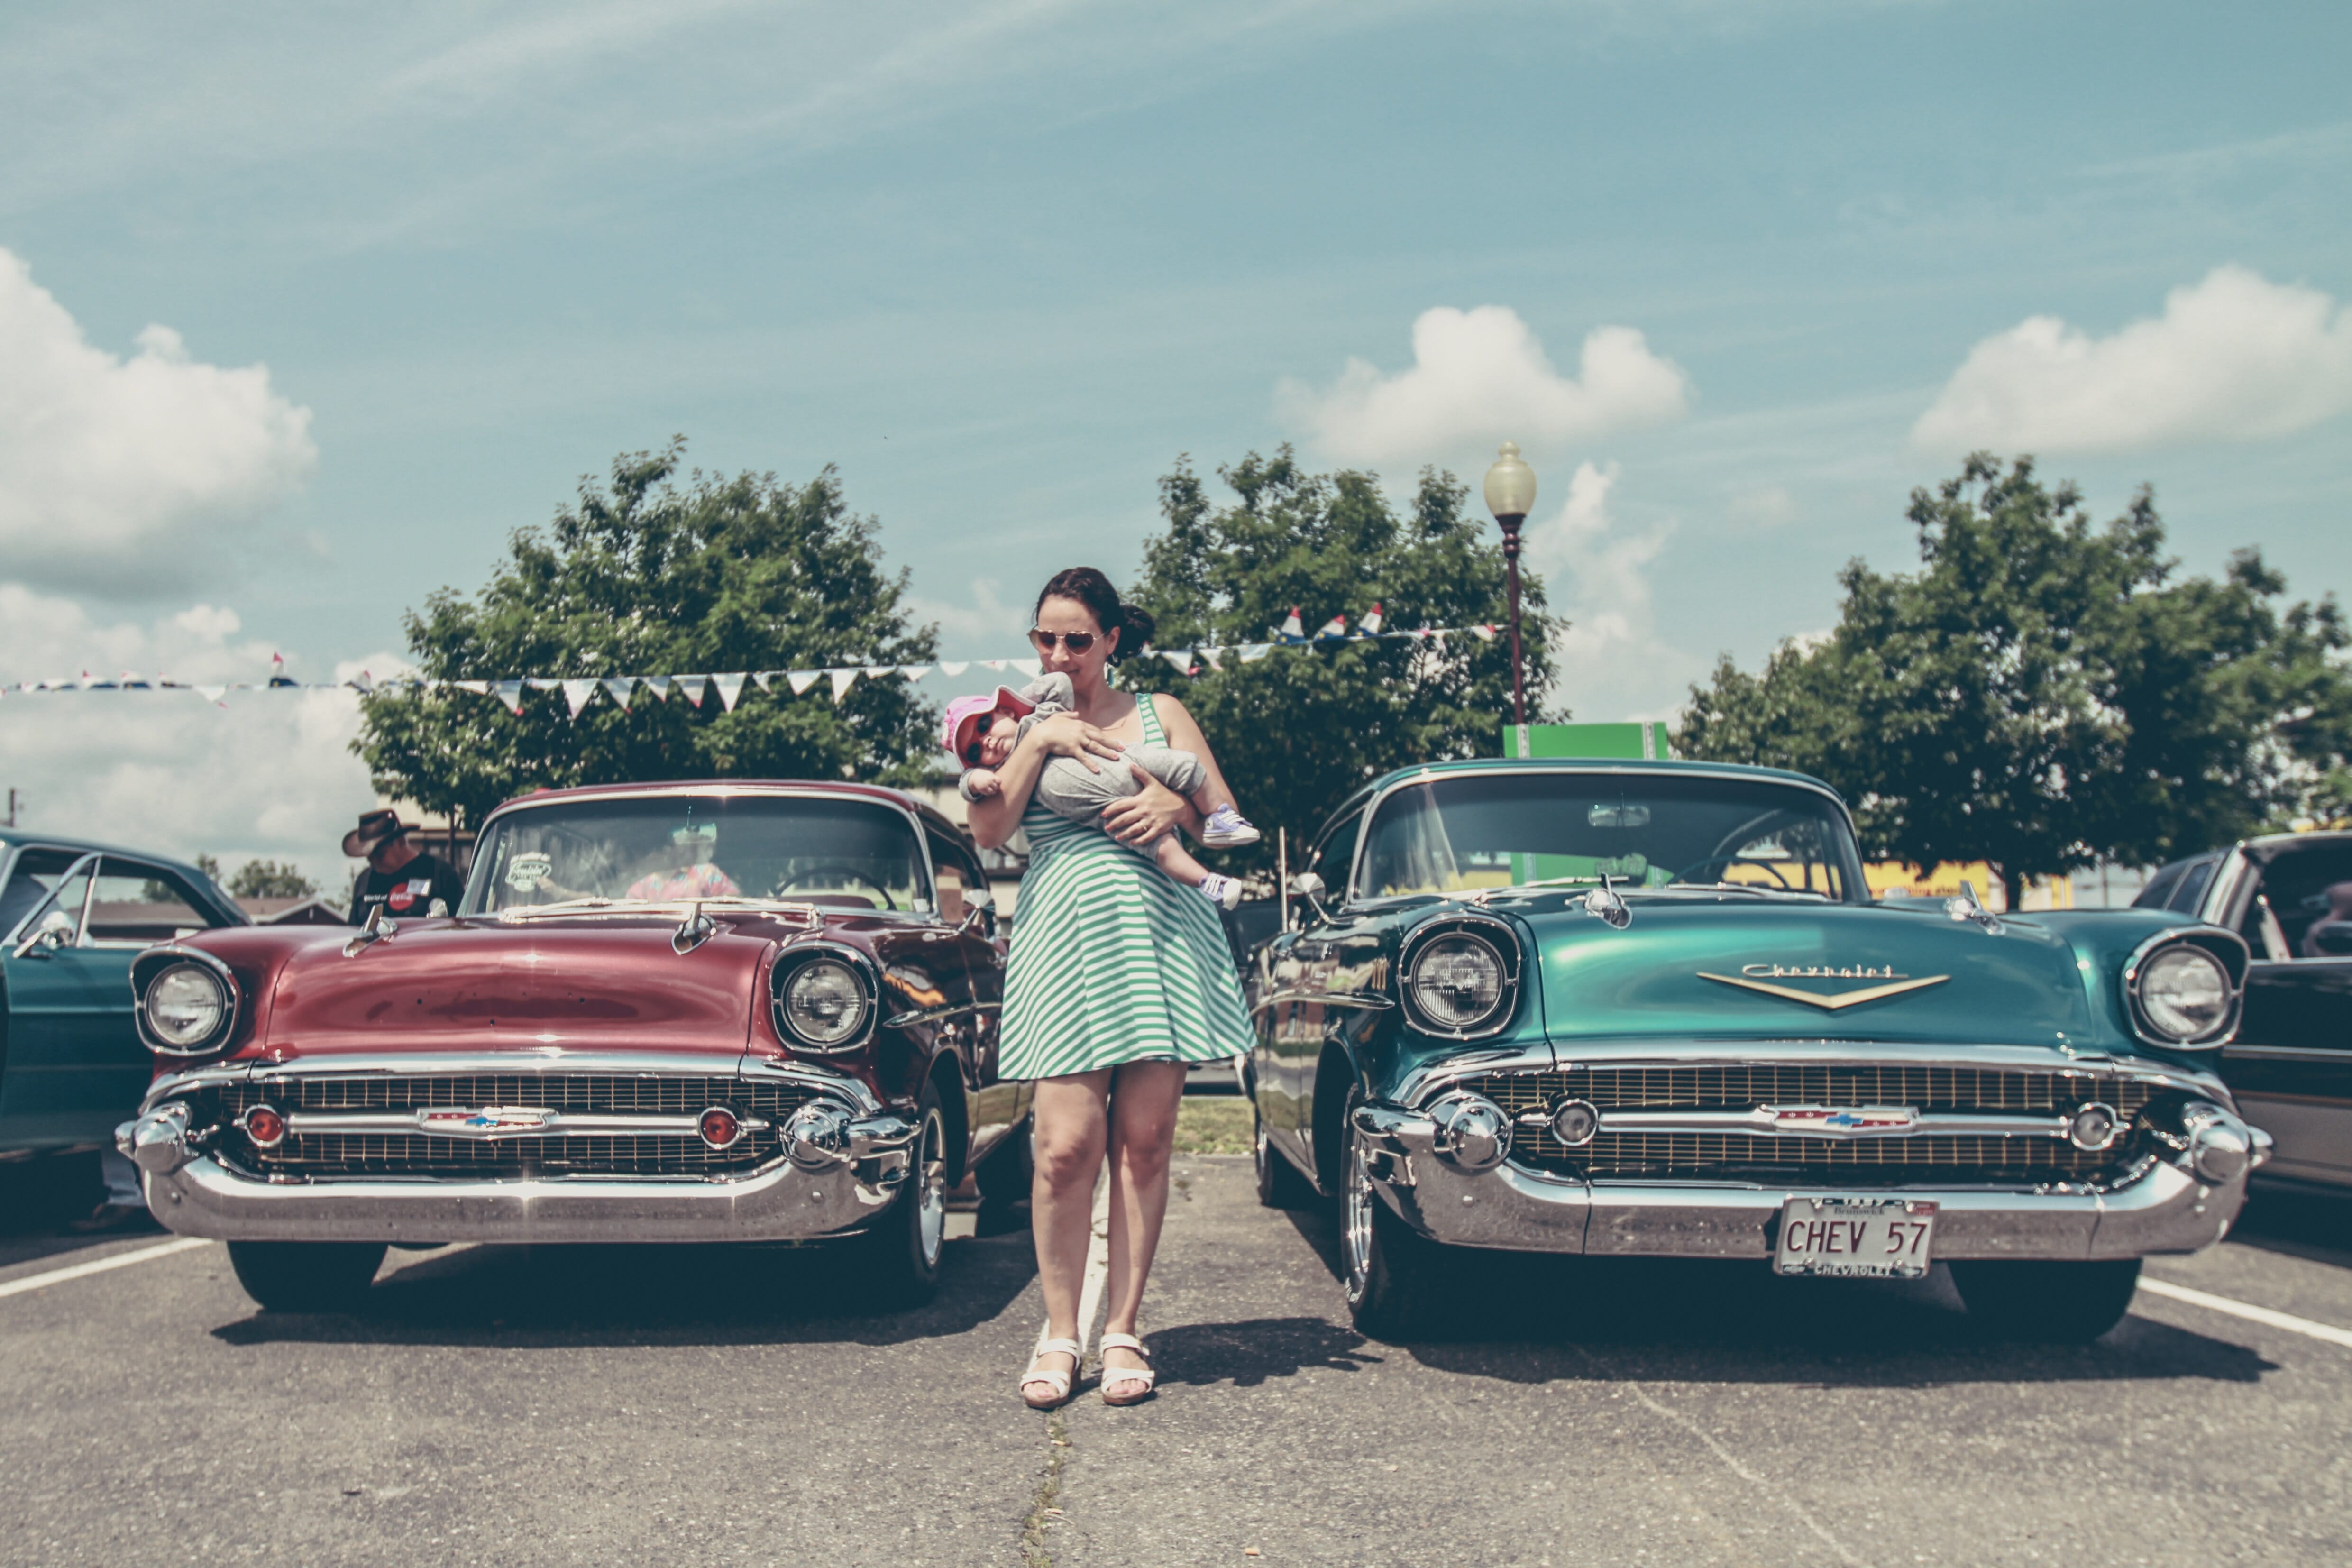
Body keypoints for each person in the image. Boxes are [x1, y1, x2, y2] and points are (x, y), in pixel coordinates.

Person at [965, 568, 1256, 1410]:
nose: (1061, 654)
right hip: (1066, 934)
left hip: (1161, 931)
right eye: (1046, 639)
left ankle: (1124, 1325)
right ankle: (1061, 1329)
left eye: (1078, 640)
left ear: (1113, 639)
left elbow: (1221, 814)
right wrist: (1041, 743)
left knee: (1149, 1135)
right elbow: (990, 829)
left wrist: (1172, 803)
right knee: (1063, 1145)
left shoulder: (1161, 712)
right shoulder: (1023, 721)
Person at [947, 673, 1258, 911]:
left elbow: (1058, 682)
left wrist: (1181, 810)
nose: (985, 741)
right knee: (1163, 849)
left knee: (1186, 768)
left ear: (1111, 638)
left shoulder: (1046, 713)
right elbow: (981, 822)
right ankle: (1208, 882)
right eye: (974, 749)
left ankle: (1221, 824)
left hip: (1165, 915)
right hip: (1068, 920)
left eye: (1076, 640)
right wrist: (1034, 742)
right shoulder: (1004, 770)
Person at [345, 809, 467, 922]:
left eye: (380, 854)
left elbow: (462, 923)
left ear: (401, 842)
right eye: (369, 857)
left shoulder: (438, 873)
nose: (374, 861)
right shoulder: (364, 882)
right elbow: (353, 931)